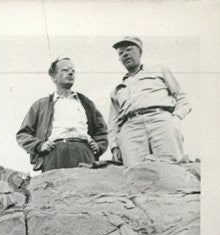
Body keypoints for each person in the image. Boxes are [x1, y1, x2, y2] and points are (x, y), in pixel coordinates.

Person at [108, 36, 191, 166]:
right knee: (136, 172)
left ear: (140, 52)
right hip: (131, 128)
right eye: (121, 53)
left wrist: (175, 119)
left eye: (129, 49)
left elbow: (182, 97)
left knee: (172, 168)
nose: (125, 54)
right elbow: (113, 122)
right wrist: (114, 146)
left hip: (161, 121)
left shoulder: (159, 70)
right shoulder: (117, 90)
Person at [16, 57, 108, 172]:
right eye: (65, 70)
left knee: (86, 189)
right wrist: (39, 145)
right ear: (54, 76)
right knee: (54, 188)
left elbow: (102, 130)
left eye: (73, 71)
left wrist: (99, 146)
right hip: (54, 154)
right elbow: (23, 134)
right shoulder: (41, 105)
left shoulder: (85, 103)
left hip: (84, 153)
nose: (70, 73)